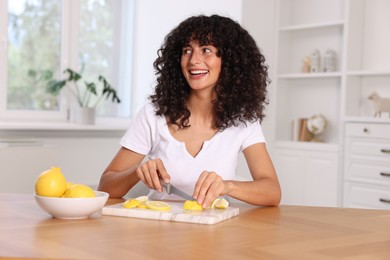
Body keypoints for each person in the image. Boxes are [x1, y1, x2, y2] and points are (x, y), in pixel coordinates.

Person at [98, 14, 281, 208]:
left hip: (215, 232)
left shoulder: (243, 120)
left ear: (229, 60)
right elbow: (106, 186)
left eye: (206, 50)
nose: (194, 60)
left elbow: (272, 192)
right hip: (159, 231)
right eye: (187, 50)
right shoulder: (153, 114)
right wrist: (137, 171)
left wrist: (227, 187)